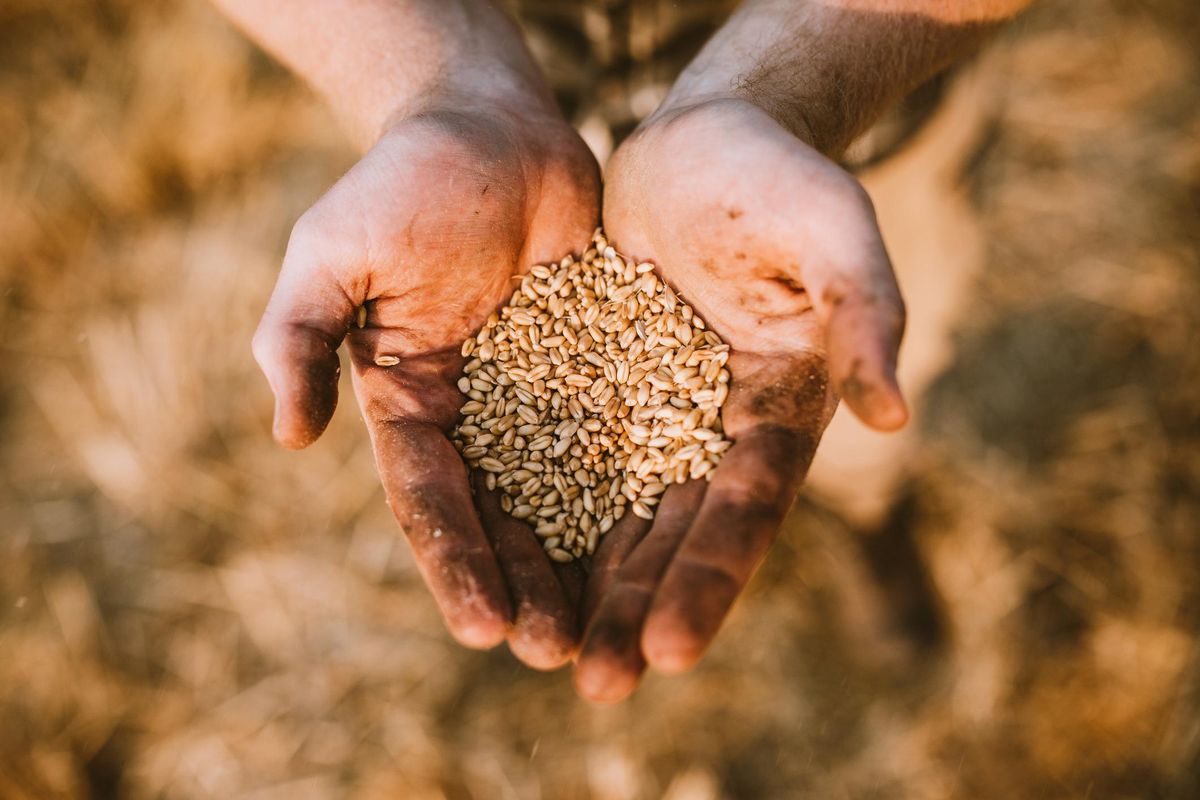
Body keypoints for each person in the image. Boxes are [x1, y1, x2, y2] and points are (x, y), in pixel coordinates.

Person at [210, 0, 1033, 703]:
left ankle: (865, 508)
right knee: (807, 376)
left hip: (839, 119)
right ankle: (864, 504)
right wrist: (432, 85)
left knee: (854, 379)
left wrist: (795, 89)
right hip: (485, 166)